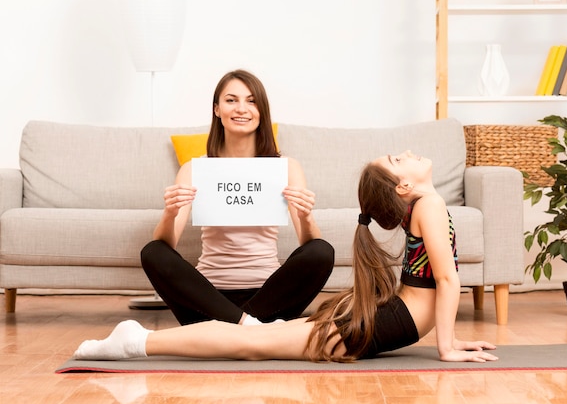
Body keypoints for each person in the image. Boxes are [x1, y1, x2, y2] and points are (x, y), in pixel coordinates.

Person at [74, 150, 498, 363]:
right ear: (403, 187)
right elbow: (445, 279)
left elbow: (439, 278)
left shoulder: (422, 204)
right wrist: (447, 346)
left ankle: (138, 340)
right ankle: (137, 341)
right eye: (397, 159)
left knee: (257, 339)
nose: (407, 154)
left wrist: (450, 340)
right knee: (253, 344)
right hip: (391, 321)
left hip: (394, 318)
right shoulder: (428, 206)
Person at [140, 69, 335, 326]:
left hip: (268, 296)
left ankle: (231, 329)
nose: (241, 108)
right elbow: (167, 242)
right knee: (153, 252)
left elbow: (308, 242)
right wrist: (170, 212)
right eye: (231, 100)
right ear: (217, 109)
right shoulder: (194, 168)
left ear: (261, 110)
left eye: (251, 101)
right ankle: (250, 328)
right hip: (207, 298)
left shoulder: (285, 167)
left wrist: (306, 215)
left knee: (322, 251)